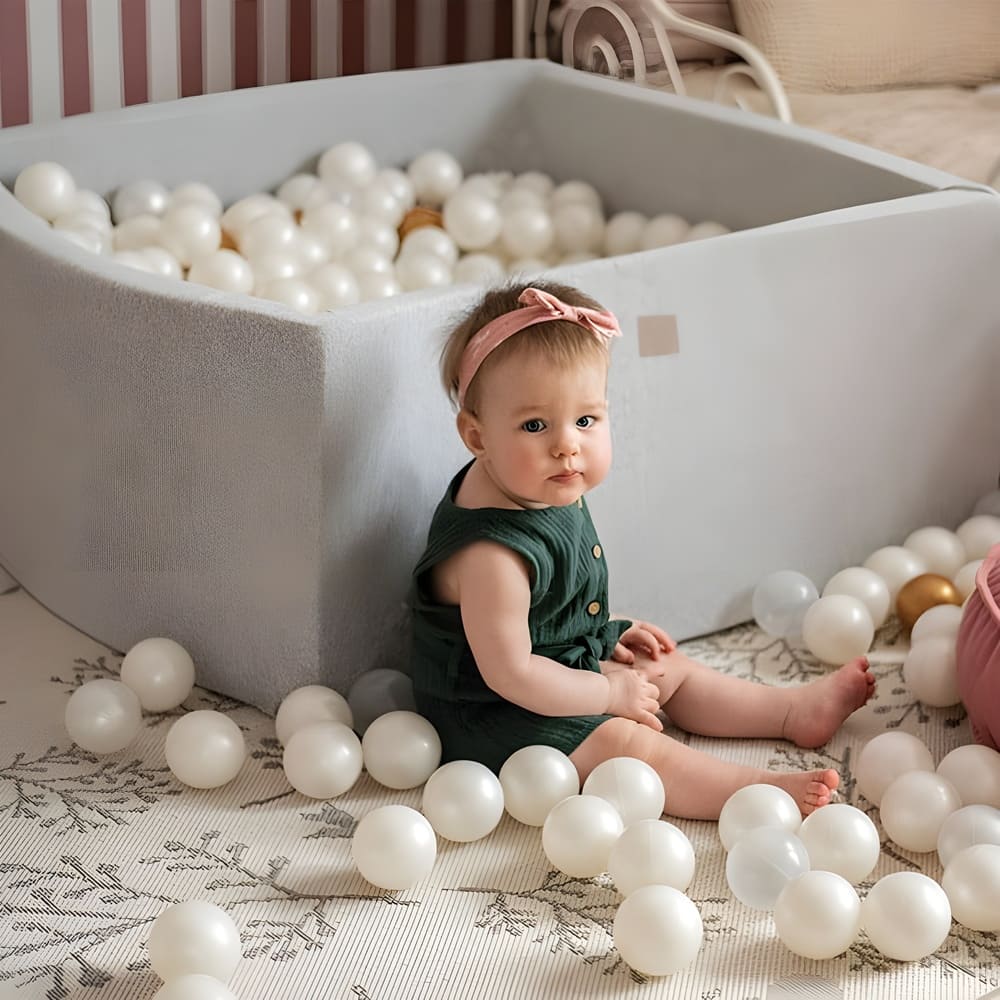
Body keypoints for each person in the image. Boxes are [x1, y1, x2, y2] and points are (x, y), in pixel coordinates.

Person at [409, 280, 876, 821]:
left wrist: (606, 633)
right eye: (535, 425)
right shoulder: (491, 556)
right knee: (627, 746)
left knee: (659, 662)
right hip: (492, 713)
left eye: (586, 420)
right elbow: (512, 674)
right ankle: (754, 792)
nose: (568, 444)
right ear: (477, 436)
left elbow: (555, 604)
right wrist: (606, 696)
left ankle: (793, 710)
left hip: (557, 659)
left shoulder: (538, 478)